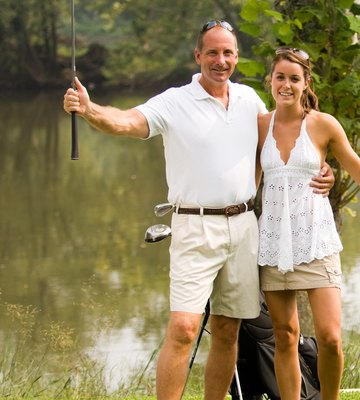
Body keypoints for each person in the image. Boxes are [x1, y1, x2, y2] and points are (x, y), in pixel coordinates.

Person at [62, 21, 333, 400]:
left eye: (227, 53)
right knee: (184, 329)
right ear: (198, 56)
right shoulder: (174, 102)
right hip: (194, 226)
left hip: (243, 227)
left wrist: (323, 169)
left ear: (236, 57)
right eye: (212, 53)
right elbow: (126, 122)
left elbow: (283, 149)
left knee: (227, 330)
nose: (220, 61)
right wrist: (90, 110)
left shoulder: (249, 100)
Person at [255, 47, 360, 400]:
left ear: (306, 83)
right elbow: (246, 180)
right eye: (280, 77)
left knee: (331, 338)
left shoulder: (323, 124)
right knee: (284, 336)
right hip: (274, 244)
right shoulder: (261, 124)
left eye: (294, 79)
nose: (286, 85)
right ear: (271, 81)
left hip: (316, 242)